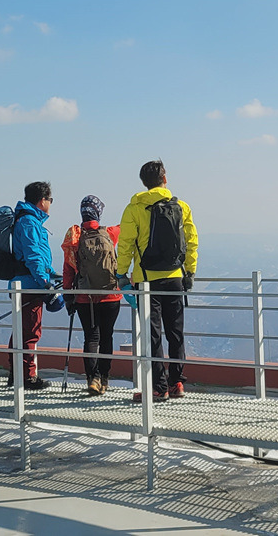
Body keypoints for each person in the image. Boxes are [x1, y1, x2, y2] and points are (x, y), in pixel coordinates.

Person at [115, 160, 198, 401]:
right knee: (176, 333)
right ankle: (177, 383)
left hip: (147, 280)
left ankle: (158, 388)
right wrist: (189, 272)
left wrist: (121, 274)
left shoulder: (134, 208)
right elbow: (191, 241)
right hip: (175, 277)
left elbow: (126, 244)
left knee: (153, 335)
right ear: (165, 178)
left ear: (143, 182)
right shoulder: (181, 206)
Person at [61, 195, 122, 395]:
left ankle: (92, 380)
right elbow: (126, 227)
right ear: (98, 213)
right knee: (107, 337)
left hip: (84, 297)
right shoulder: (110, 233)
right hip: (110, 296)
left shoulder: (75, 237)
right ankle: (104, 378)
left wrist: (68, 295)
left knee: (91, 337)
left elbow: (68, 269)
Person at [10, 181, 63, 390]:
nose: (50, 203)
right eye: (50, 200)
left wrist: (51, 273)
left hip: (23, 283)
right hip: (30, 286)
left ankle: (16, 374)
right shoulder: (29, 222)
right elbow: (33, 256)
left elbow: (37, 257)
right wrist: (44, 282)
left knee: (21, 330)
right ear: (42, 201)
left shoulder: (25, 219)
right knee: (30, 332)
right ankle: (27, 377)